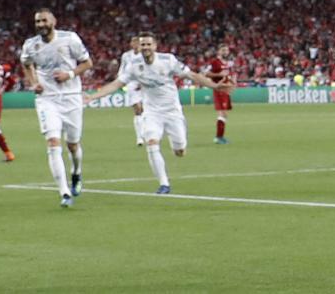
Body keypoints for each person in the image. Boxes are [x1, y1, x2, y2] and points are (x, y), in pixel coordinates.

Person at [83, 32, 225, 194]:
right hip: (151, 112)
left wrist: (214, 86)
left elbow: (192, 75)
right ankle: (164, 184)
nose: (145, 47)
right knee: (151, 143)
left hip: (172, 112)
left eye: (148, 44)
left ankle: (178, 147)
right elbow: (116, 84)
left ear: (155, 46)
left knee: (180, 151)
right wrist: (92, 97)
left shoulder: (168, 60)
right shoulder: (134, 65)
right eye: (143, 44)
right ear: (139, 46)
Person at [20, 8, 93, 208]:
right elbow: (26, 64)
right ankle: (64, 192)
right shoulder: (30, 45)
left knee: (73, 144)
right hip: (47, 99)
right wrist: (34, 82)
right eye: (37, 22)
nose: (41, 25)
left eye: (44, 20)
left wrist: (69, 75)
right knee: (53, 142)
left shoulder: (70, 39)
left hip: (71, 98)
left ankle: (76, 173)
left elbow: (87, 63)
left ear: (53, 21)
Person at [118, 36, 145, 147]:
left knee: (145, 110)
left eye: (137, 42)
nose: (135, 44)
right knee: (137, 109)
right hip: (131, 84)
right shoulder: (126, 56)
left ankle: (146, 132)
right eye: (133, 42)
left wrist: (143, 83)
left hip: (144, 84)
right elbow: (122, 68)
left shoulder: (144, 55)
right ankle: (139, 137)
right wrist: (119, 79)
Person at [206, 45, 235, 144]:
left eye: (227, 50)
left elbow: (227, 75)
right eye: (223, 50)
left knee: (225, 114)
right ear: (218, 51)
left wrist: (232, 83)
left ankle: (220, 136)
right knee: (222, 113)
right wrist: (219, 75)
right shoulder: (215, 62)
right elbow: (206, 74)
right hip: (219, 89)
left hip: (225, 90)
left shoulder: (226, 63)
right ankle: (218, 137)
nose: (226, 52)